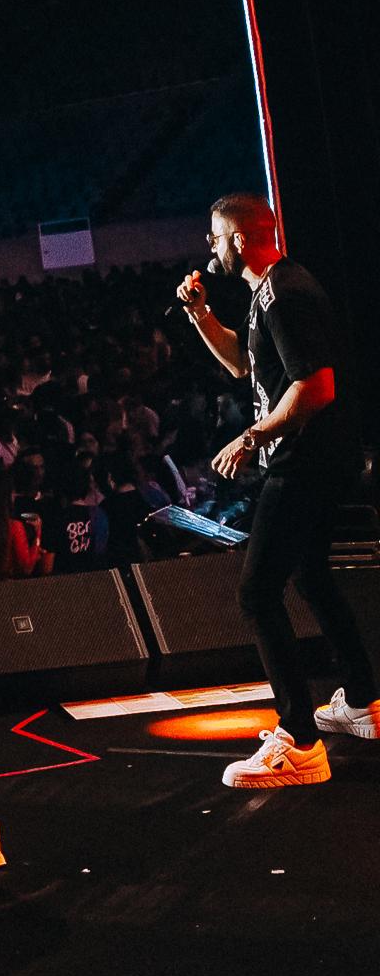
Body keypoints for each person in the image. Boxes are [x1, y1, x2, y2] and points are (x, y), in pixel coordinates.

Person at [179, 194, 372, 784]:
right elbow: (245, 364)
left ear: (239, 238)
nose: (209, 247)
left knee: (257, 593)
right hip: (312, 458)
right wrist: (201, 315)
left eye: (215, 237)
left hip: (305, 462)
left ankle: (300, 741)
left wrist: (252, 436)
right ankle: (363, 701)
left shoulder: (287, 294)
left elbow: (316, 386)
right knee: (310, 575)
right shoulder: (269, 293)